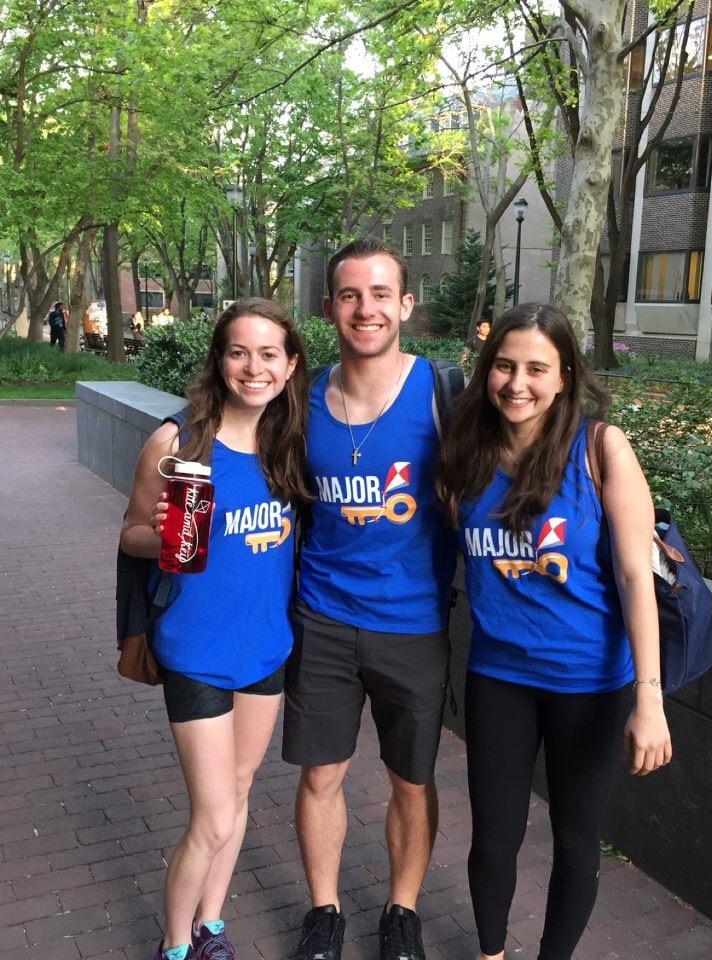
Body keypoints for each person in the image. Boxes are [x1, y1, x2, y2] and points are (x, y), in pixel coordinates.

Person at [437, 302, 672, 960]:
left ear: (565, 374)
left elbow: (634, 577)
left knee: (575, 839)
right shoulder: (466, 452)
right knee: (493, 838)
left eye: (537, 368)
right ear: (487, 369)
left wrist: (649, 701)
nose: (518, 383)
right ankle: (490, 954)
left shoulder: (600, 450)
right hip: (498, 677)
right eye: (505, 366)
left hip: (589, 685)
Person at [284, 238, 458, 960]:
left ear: (405, 305)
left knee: (410, 780)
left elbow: (525, 454)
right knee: (321, 774)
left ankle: (402, 912)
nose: (366, 308)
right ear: (329, 308)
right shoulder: (299, 400)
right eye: (351, 295)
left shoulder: (444, 394)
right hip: (321, 616)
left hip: (413, 624)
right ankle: (324, 912)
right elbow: (226, 430)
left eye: (381, 293)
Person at [121, 298, 310, 960]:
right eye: (238, 351)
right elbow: (131, 534)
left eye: (267, 354)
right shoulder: (178, 443)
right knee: (215, 814)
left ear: (289, 366)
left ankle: (210, 928)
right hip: (195, 651)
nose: (252, 367)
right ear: (219, 361)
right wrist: (170, 536)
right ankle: (174, 947)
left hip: (266, 648)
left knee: (239, 790)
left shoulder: (291, 446)